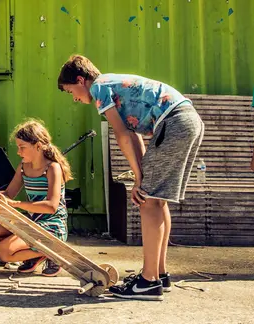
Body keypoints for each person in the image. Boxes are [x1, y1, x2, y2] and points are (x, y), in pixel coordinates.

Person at [57, 54, 204, 301]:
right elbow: (133, 135)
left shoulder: (100, 89)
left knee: (148, 200)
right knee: (156, 199)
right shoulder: (111, 84)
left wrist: (139, 180)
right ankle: (159, 274)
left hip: (175, 122)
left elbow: (122, 134)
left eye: (71, 91)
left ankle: (148, 282)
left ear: (81, 80)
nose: (74, 98)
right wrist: (142, 174)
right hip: (187, 120)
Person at [0, 119, 72, 277]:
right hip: (33, 223)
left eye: (22, 147)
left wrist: (16, 204)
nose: (19, 152)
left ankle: (51, 253)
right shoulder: (24, 166)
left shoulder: (52, 168)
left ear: (38, 146)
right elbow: (9, 194)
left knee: (2, 252)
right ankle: (35, 253)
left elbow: (51, 206)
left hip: (52, 227)